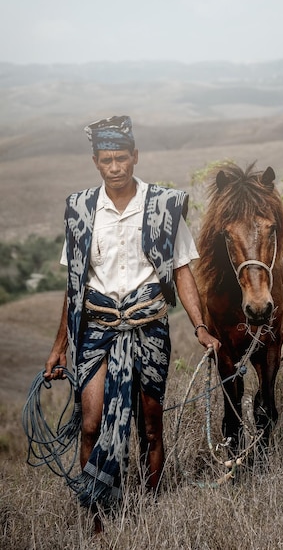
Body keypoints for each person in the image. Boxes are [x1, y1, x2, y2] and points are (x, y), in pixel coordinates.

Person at [44, 115, 220, 521]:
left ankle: (150, 511)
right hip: (97, 330)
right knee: (91, 423)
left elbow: (181, 270)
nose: (115, 167)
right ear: (95, 162)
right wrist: (58, 348)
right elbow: (75, 284)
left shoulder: (163, 206)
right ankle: (96, 517)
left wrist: (200, 327)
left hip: (149, 329)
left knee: (151, 427)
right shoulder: (80, 211)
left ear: (135, 157)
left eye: (122, 158)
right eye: (106, 160)